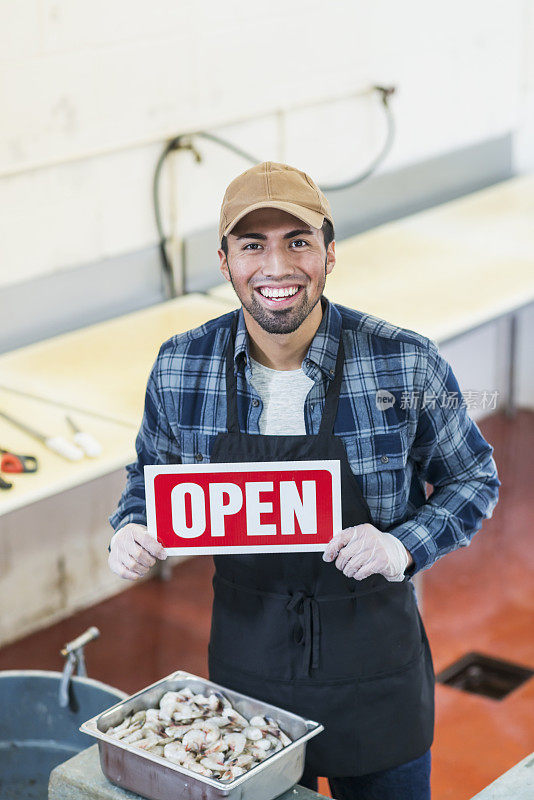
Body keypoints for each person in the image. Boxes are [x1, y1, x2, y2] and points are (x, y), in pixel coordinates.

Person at [108, 161, 500, 799]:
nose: (277, 267)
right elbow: (149, 476)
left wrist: (401, 546)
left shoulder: (402, 363)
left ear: (329, 252)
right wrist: (130, 525)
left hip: (377, 678)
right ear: (225, 260)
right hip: (246, 683)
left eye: (298, 242)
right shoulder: (183, 366)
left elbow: (472, 479)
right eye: (252, 244)